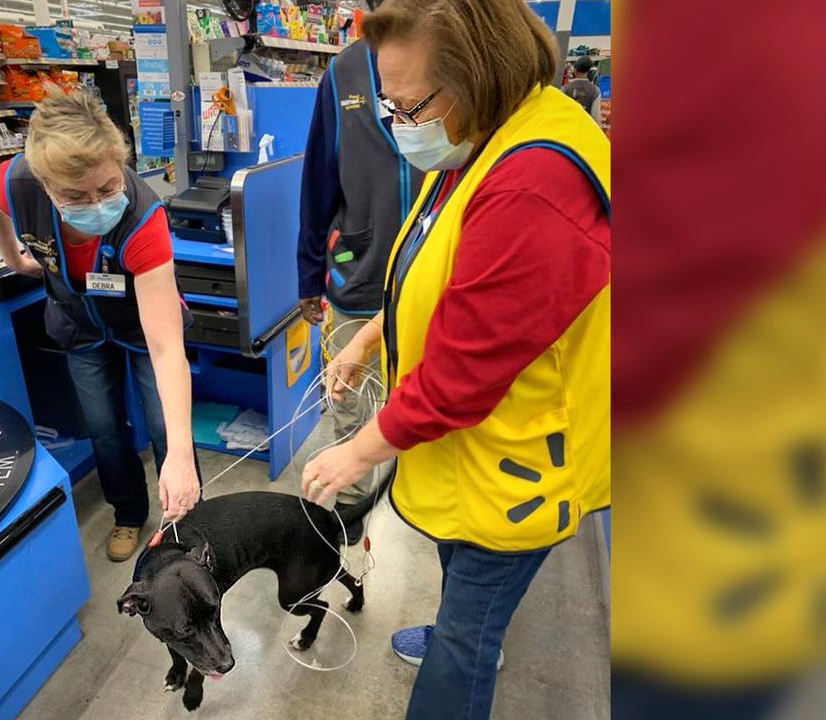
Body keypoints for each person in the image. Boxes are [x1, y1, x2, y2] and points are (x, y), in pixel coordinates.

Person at [299, 0, 610, 718]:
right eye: (389, 106)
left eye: (410, 106)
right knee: (464, 598)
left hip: (520, 472)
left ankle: (463, 644)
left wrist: (355, 453)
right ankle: (460, 628)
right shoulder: (485, 138)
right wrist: (369, 336)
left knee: (464, 650)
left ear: (479, 76)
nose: (399, 123)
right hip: (478, 461)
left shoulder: (534, 182)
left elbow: (460, 378)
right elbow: (437, 275)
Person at [0, 89, 200, 562]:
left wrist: (183, 459)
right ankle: (128, 514)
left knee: (167, 428)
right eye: (75, 196)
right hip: (78, 324)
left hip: (141, 324)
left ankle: (187, 527)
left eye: (108, 188)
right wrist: (14, 257)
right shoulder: (13, 181)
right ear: (44, 184)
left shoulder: (143, 219)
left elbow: (168, 350)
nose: (96, 204)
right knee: (104, 428)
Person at [296, 0, 422, 541]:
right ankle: (349, 523)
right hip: (357, 273)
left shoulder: (449, 57)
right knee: (350, 405)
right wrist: (308, 277)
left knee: (425, 399)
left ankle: (421, 506)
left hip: (429, 276)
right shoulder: (343, 71)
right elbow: (318, 180)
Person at [563, 55, 602, 125]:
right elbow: (596, 118)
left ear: (575, 70)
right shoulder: (595, 91)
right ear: (588, 71)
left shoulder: (565, 89)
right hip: (585, 130)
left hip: (568, 129)